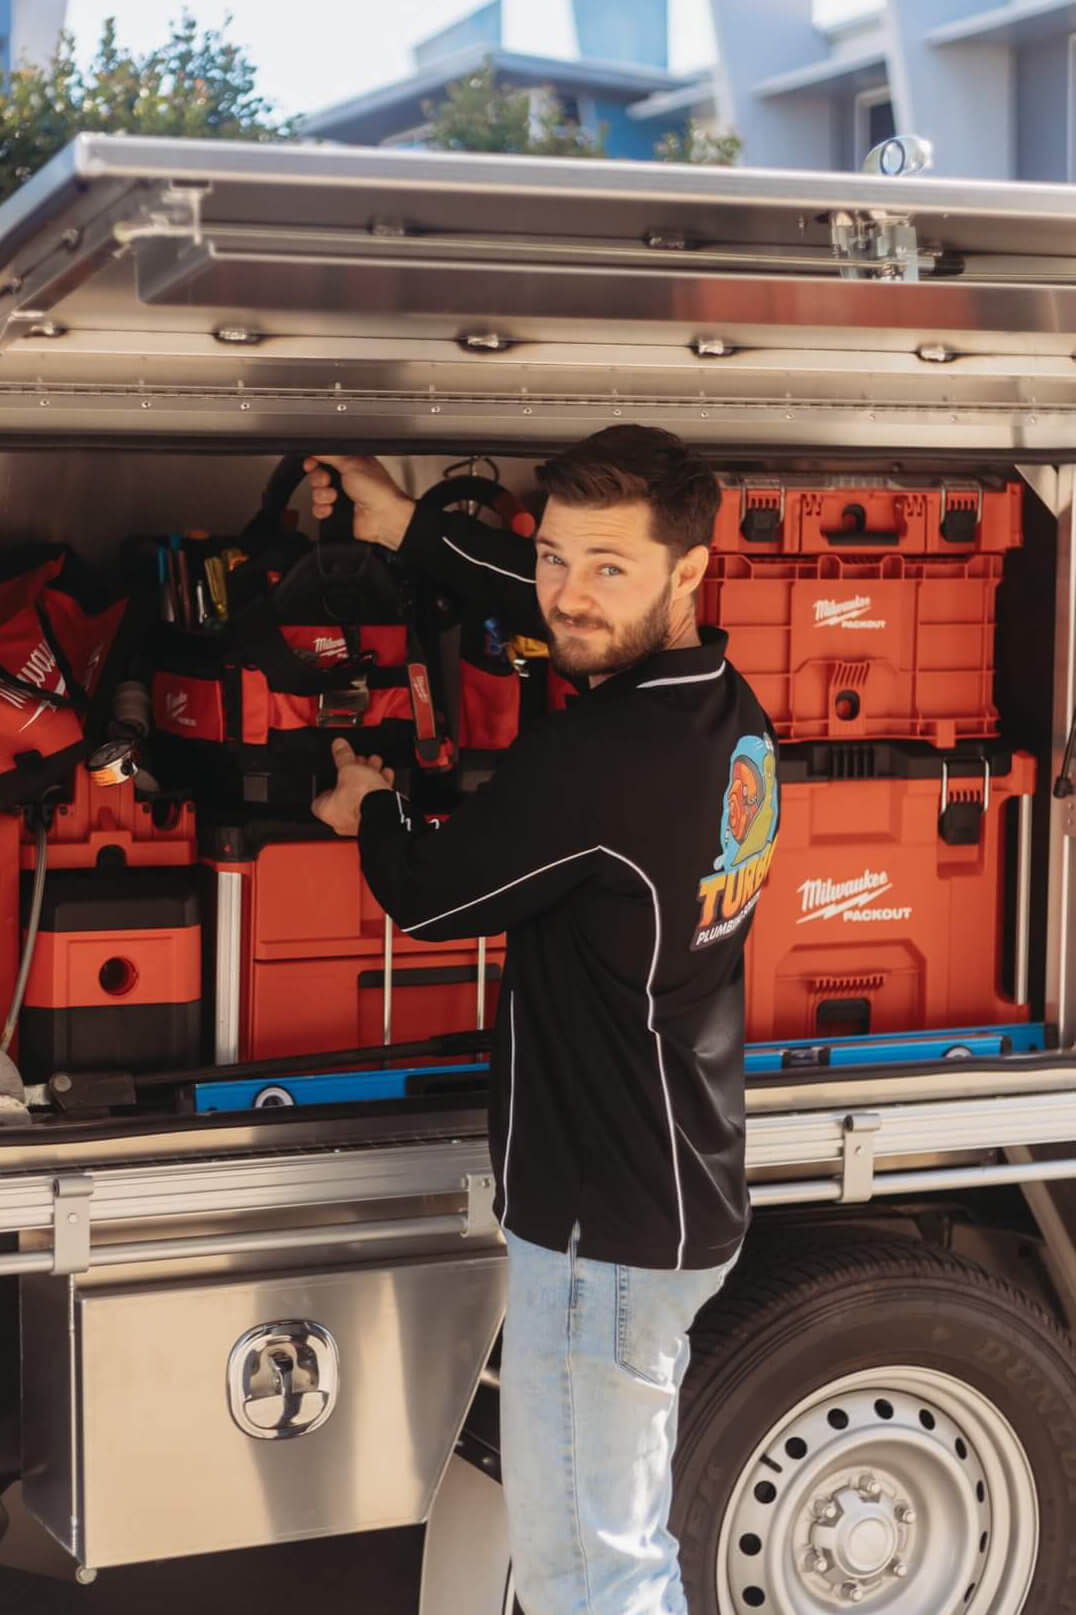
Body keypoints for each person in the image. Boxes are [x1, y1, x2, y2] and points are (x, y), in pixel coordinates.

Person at [306, 427, 778, 1615]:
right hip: (672, 1188)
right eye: (555, 555)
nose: (568, 593)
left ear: (688, 572)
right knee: (611, 1551)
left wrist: (370, 809)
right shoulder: (717, 702)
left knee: (592, 1575)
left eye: (607, 566)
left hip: (600, 1234)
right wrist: (406, 529)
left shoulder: (600, 760)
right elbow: (565, 606)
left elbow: (430, 893)